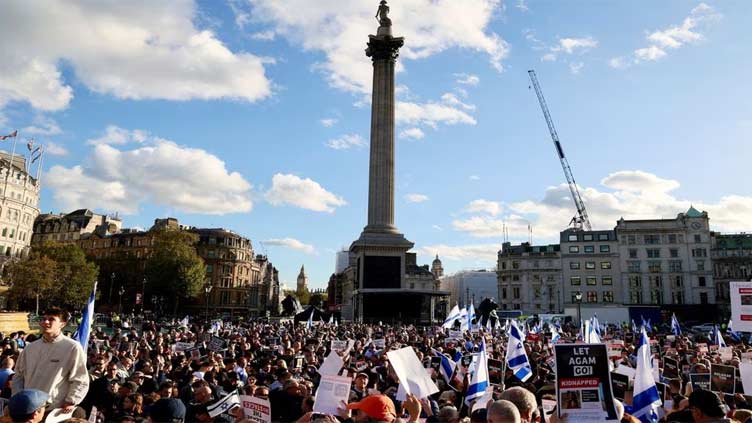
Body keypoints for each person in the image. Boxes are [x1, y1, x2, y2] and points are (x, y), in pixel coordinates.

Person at [11, 307, 89, 415]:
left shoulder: (72, 347)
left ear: (62, 324)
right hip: (27, 409)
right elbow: (18, 376)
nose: (45, 322)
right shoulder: (30, 348)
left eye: (51, 319)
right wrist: (18, 397)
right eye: (44, 319)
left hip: (53, 409)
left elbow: (80, 378)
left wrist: (71, 400)